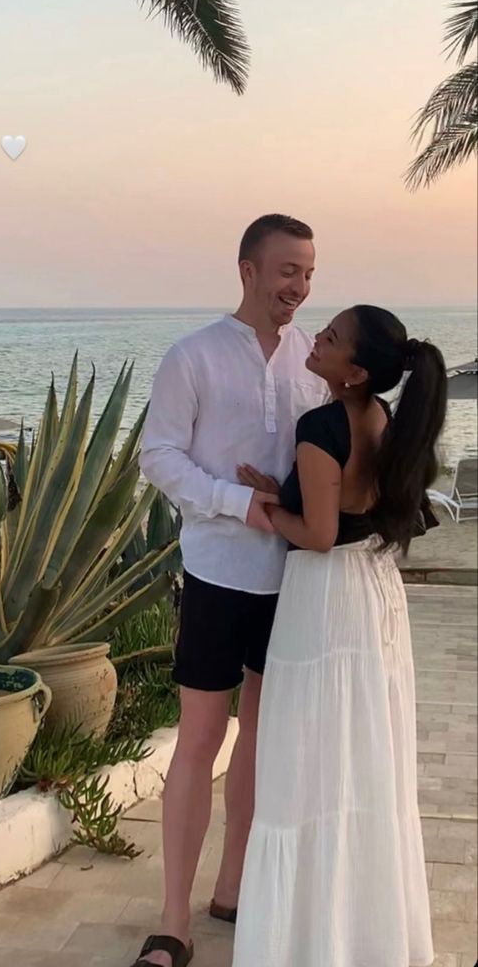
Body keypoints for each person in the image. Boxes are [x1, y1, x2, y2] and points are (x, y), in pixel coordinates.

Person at [130, 214, 331, 967]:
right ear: (247, 270)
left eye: (308, 273)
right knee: (201, 739)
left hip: (296, 577)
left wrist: (291, 502)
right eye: (286, 271)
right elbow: (158, 455)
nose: (298, 287)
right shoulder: (194, 356)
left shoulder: (315, 358)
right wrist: (234, 501)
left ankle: (235, 888)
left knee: (261, 738)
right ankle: (173, 921)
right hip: (218, 572)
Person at [232, 305, 445, 967]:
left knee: (303, 760)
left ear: (353, 372)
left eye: (329, 338)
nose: (316, 339)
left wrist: (268, 509)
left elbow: (319, 536)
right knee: (363, 754)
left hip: (323, 600)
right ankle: (363, 930)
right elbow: (350, 511)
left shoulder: (320, 424)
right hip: (374, 590)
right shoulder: (381, 418)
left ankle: (302, 939)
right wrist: (287, 496)